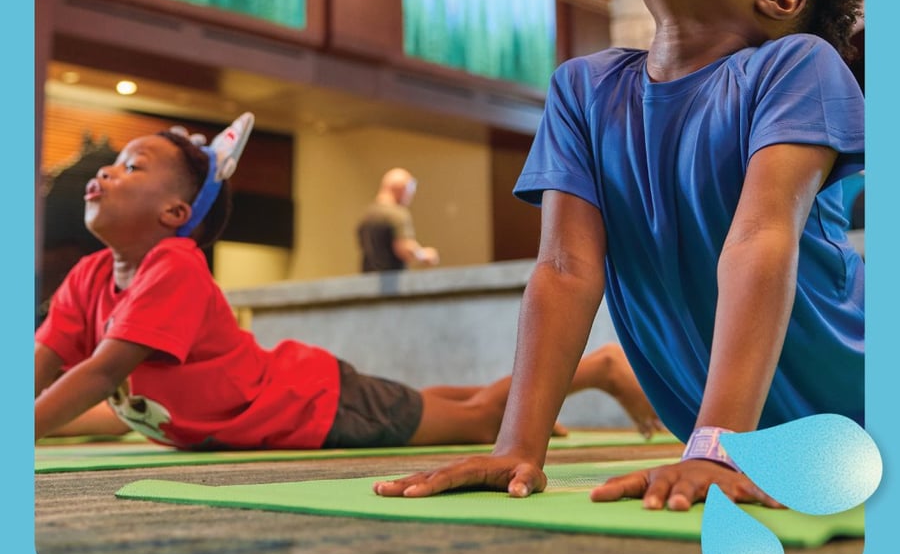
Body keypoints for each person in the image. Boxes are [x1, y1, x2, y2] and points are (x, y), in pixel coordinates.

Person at [374, 0, 864, 511]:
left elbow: (761, 234)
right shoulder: (584, 89)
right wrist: (517, 447)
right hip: (730, 438)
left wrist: (718, 447)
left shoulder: (795, 64)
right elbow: (563, 267)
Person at [35, 113, 663, 448]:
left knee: (478, 421)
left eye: (132, 166)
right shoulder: (90, 275)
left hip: (313, 409)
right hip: (310, 394)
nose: (108, 172)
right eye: (112, 165)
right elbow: (45, 361)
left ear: (176, 215)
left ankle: (600, 370)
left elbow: (98, 371)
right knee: (448, 403)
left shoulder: (172, 265)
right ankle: (570, 384)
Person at [356, 167, 440, 272]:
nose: (410, 197)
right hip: (392, 283)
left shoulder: (366, 215)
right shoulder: (397, 214)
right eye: (410, 190)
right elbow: (404, 248)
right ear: (402, 189)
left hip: (368, 283)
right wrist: (423, 255)